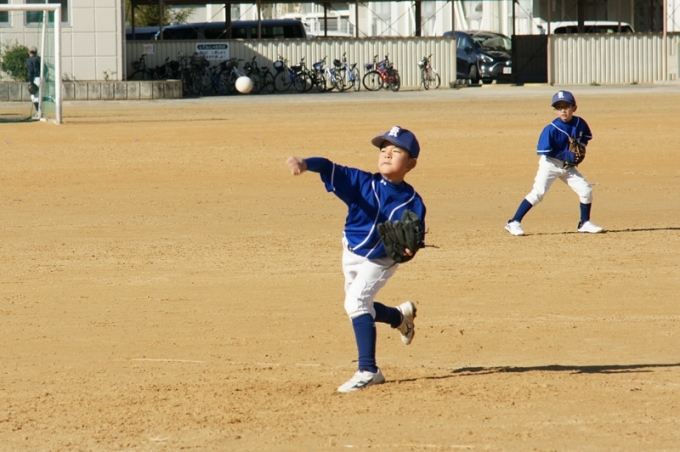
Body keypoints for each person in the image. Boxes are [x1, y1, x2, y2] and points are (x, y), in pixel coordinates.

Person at [285, 126, 426, 393]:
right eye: (383, 150)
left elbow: (412, 240)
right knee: (360, 305)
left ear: (411, 164)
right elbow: (327, 166)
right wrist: (305, 164)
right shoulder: (361, 182)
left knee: (356, 303)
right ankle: (399, 317)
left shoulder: (412, 201)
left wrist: (410, 249)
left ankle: (368, 370)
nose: (387, 154)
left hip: (381, 259)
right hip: (351, 251)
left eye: (396, 151)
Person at [505, 90, 604, 236]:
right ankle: (513, 222)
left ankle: (584, 223)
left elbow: (586, 137)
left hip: (568, 167)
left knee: (586, 190)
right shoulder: (551, 129)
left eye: (566, 106)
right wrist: (566, 154)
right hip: (550, 164)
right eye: (559, 107)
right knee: (538, 193)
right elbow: (544, 150)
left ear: (574, 108)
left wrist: (581, 147)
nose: (563, 110)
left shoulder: (580, 123)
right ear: (555, 110)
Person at [26, 46, 41, 117]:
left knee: (34, 96)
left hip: (35, 79)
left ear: (29, 52)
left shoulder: (29, 60)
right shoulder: (39, 59)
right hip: (41, 78)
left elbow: (30, 71)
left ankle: (39, 112)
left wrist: (30, 81)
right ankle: (40, 111)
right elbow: (46, 69)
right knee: (39, 95)